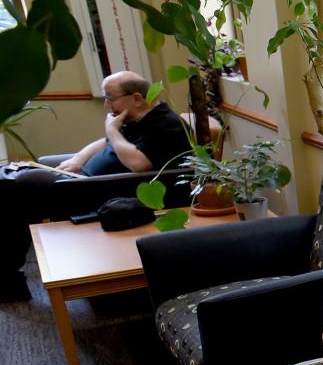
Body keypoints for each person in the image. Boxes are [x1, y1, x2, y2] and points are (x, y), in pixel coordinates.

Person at [0, 71, 194, 301]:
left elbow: (139, 164)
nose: (106, 104)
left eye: (110, 97)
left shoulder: (166, 124)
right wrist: (79, 158)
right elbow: (106, 142)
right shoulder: (134, 117)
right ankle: (8, 276)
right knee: (10, 182)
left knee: (18, 186)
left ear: (137, 98)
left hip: (109, 191)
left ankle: (8, 280)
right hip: (86, 182)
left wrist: (112, 131)